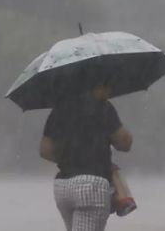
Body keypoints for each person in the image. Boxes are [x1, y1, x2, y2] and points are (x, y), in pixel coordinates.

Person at [39, 81, 134, 231]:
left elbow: (44, 150)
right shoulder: (103, 108)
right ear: (97, 86)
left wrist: (70, 156)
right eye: (107, 86)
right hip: (91, 185)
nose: (110, 91)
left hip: (63, 187)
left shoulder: (59, 109)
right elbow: (123, 143)